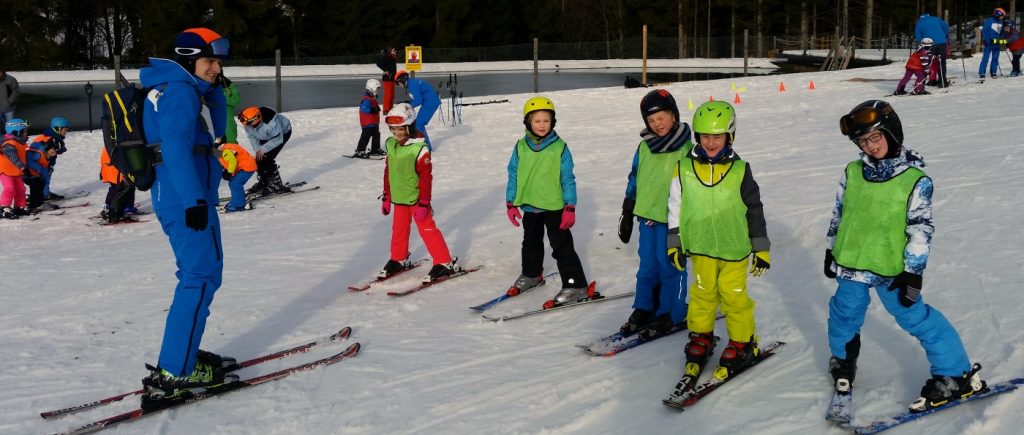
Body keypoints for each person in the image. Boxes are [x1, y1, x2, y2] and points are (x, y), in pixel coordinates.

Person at [828, 100, 985, 412]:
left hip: (892, 269)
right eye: (863, 141)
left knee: (917, 318)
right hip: (851, 265)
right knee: (843, 314)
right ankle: (843, 360)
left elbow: (920, 229)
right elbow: (840, 213)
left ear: (891, 133)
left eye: (875, 138)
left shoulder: (915, 180)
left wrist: (913, 272)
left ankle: (956, 374)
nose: (870, 147)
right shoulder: (853, 171)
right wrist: (832, 249)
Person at [137, 27, 238, 409]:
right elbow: (177, 147)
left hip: (179, 195)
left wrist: (212, 87)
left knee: (199, 275)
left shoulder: (174, 86)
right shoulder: (179, 91)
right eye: (209, 61)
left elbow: (198, 133)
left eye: (219, 62)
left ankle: (181, 356)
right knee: (200, 276)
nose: (216, 68)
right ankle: (177, 368)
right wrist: (196, 199)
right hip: (185, 198)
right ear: (186, 60)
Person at [667, 101, 770, 384]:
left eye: (717, 136)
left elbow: (754, 208)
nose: (710, 142)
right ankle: (701, 335)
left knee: (734, 296)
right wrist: (674, 240)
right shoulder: (683, 168)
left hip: (734, 247)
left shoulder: (740, 170)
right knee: (702, 294)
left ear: (730, 136)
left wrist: (760, 247)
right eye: (705, 136)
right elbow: (675, 205)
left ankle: (742, 341)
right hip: (700, 247)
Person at [505, 96, 594, 308]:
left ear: (552, 122)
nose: (542, 125)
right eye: (537, 121)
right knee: (530, 244)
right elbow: (513, 174)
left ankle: (575, 285)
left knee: (561, 247)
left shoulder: (559, 148)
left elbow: (567, 178)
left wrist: (570, 206)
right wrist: (511, 202)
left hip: (555, 206)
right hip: (530, 205)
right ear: (528, 122)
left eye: (546, 120)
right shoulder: (520, 147)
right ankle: (531, 274)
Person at [618, 89, 692, 336]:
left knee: (671, 265)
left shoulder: (687, 149)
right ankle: (644, 307)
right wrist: (627, 211)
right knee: (648, 265)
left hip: (674, 220)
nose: (657, 124)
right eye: (651, 121)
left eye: (661, 117)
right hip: (647, 217)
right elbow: (634, 178)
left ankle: (673, 311)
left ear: (673, 115)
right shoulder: (644, 147)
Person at [377, 102, 462, 282]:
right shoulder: (391, 144)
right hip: (399, 198)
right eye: (393, 129)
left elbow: (426, 178)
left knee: (428, 229)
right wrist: (387, 194)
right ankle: (398, 258)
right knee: (398, 230)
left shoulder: (420, 149)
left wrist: (424, 201)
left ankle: (444, 262)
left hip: (416, 200)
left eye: (401, 129)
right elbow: (388, 170)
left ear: (410, 126)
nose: (396, 133)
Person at [238, 105, 292, 195]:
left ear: (256, 119)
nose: (247, 126)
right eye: (245, 124)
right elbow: (251, 136)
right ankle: (264, 181)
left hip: (281, 134)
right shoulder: (247, 121)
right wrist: (258, 150)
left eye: (248, 124)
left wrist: (263, 149)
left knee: (267, 158)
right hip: (263, 134)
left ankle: (276, 184)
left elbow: (278, 139)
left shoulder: (271, 123)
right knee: (259, 160)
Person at [395, 70, 441, 149]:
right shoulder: (411, 83)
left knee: (419, 124)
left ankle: (426, 147)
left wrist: (408, 106)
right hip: (428, 102)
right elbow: (417, 97)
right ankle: (423, 144)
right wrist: (408, 102)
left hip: (430, 103)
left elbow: (418, 100)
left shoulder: (412, 84)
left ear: (402, 80)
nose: (399, 85)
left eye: (398, 83)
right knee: (418, 124)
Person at [31, 116, 70, 200]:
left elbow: (53, 155)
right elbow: (50, 153)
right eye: (65, 129)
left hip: (40, 162)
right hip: (37, 163)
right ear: (57, 129)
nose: (66, 132)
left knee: (44, 177)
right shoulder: (51, 140)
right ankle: (44, 195)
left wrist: (51, 165)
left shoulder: (53, 138)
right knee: (45, 177)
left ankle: (43, 193)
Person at [98, 146, 137, 224]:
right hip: (117, 171)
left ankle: (109, 205)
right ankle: (127, 206)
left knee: (116, 188)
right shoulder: (119, 144)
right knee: (127, 187)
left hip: (108, 170)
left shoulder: (108, 143)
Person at [1, 119, 30, 219]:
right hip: (5, 171)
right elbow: (13, 157)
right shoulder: (9, 144)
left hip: (16, 171)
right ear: (17, 132)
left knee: (21, 189)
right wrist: (23, 167)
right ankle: (4, 207)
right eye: (24, 131)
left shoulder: (20, 142)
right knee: (9, 188)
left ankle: (19, 206)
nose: (27, 133)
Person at [22, 125, 56, 211]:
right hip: (26, 173)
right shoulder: (38, 153)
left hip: (31, 173)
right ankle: (36, 204)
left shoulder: (46, 155)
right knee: (36, 185)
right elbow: (29, 161)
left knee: (39, 184)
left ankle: (38, 202)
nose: (54, 152)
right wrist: (40, 169)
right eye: (52, 150)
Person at [218, 142, 256, 212]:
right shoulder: (223, 149)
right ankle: (236, 201)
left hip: (247, 167)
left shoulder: (225, 150)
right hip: (246, 166)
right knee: (233, 183)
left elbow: (232, 161)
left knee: (235, 183)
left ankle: (239, 204)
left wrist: (229, 172)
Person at [914, 13, 950, 87]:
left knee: (926, 63)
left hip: (929, 44)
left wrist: (920, 48)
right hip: (942, 43)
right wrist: (943, 34)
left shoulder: (919, 23)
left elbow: (918, 38)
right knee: (942, 62)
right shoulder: (936, 19)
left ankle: (921, 84)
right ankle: (942, 82)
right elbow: (946, 26)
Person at [353, 79, 383, 158]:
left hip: (374, 122)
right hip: (367, 123)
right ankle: (360, 150)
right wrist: (372, 109)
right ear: (372, 88)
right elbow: (364, 108)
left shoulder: (372, 98)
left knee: (376, 135)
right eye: (377, 89)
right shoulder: (366, 99)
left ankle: (375, 149)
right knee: (365, 136)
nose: (377, 91)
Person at [979, 8, 1008, 79]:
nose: (1002, 17)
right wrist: (985, 40)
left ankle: (993, 72)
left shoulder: (1001, 22)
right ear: (998, 14)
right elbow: (984, 31)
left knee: (995, 58)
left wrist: (1003, 38)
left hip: (996, 43)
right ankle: (982, 72)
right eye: (1002, 16)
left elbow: (1002, 33)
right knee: (985, 58)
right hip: (989, 43)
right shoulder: (989, 21)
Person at [220, 74, 241, 143]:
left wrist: (228, 87)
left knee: (230, 140)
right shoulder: (206, 85)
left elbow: (235, 100)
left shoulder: (228, 86)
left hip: (228, 124)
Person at [376, 47, 398, 113]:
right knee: (388, 95)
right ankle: (386, 110)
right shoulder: (387, 57)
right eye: (394, 50)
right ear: (390, 51)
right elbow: (378, 64)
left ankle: (390, 108)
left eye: (395, 50)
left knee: (392, 95)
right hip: (387, 79)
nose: (395, 51)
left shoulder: (393, 57)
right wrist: (385, 70)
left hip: (392, 79)